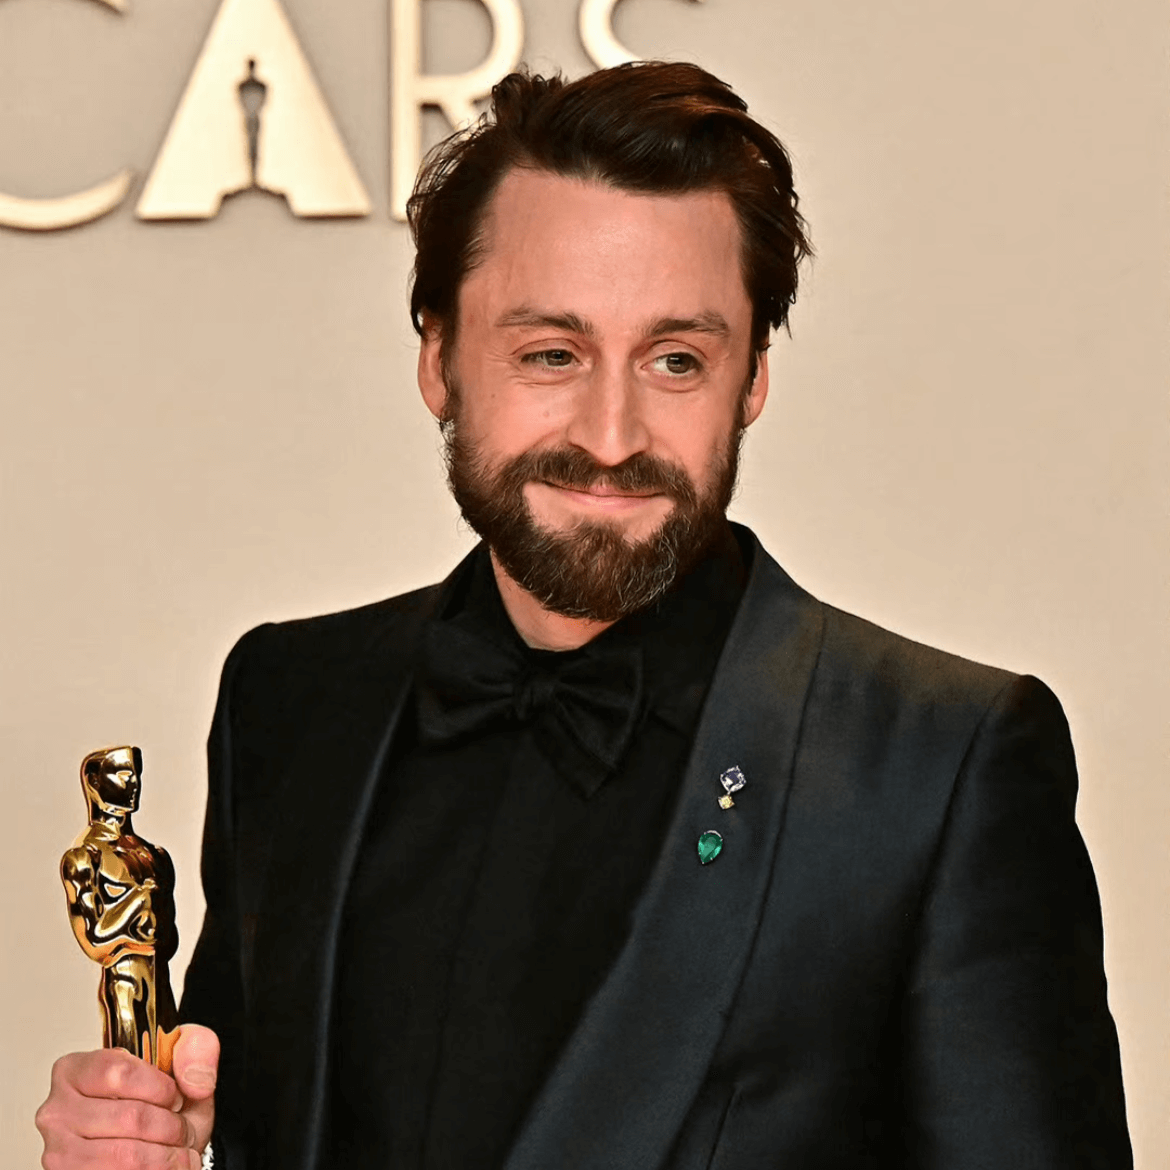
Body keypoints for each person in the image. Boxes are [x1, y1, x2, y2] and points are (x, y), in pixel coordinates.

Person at [37, 61, 1131, 1170]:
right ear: (437, 357)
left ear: (752, 377)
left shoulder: (940, 768)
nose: (611, 434)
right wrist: (148, 1140)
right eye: (550, 354)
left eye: (675, 360)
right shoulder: (289, 700)